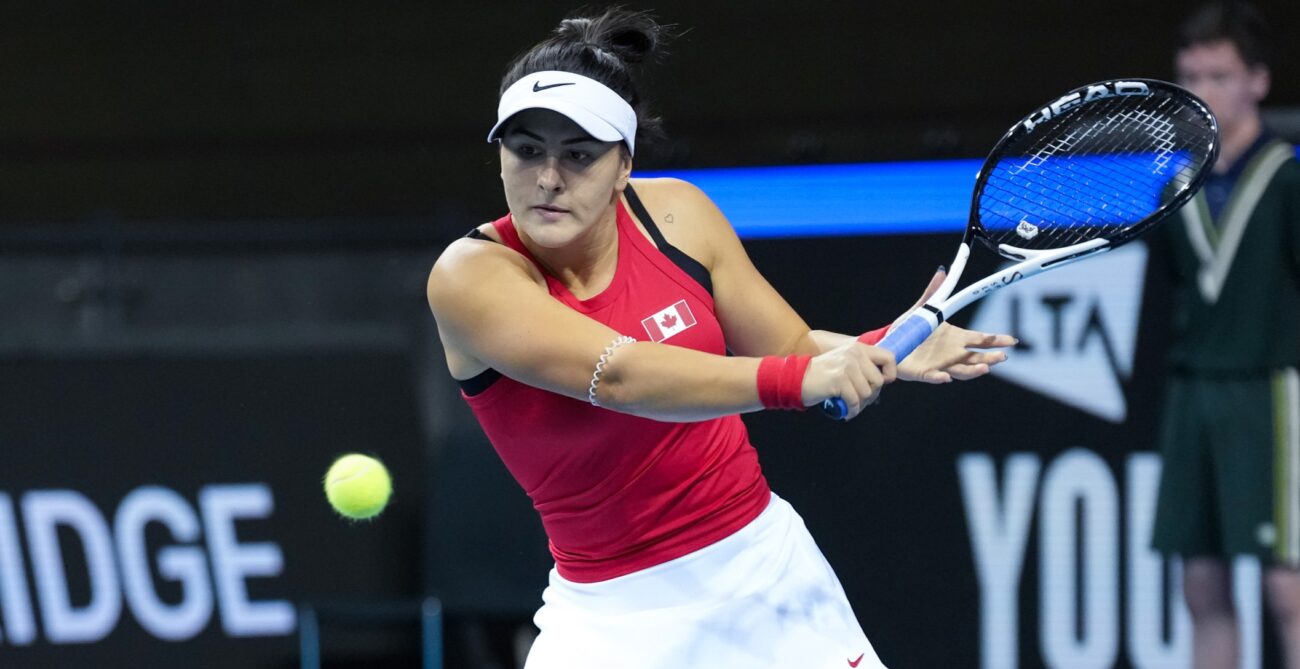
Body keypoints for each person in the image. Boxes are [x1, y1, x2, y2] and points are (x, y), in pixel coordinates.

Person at [426, 9, 1014, 668]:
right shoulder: (470, 276)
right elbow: (619, 376)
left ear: (624, 167)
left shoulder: (679, 213)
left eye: (579, 155)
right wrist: (801, 381)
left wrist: (875, 347)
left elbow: (786, 344)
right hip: (612, 622)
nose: (548, 178)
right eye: (526, 150)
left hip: (764, 573)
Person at [1150, 3, 1300, 667]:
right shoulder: (1173, 189)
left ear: (1258, 82)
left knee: (1287, 584)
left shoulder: (1289, 179)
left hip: (1269, 392)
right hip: (1194, 398)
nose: (1203, 92)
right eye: (1191, 77)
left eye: (1219, 75)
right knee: (1201, 583)